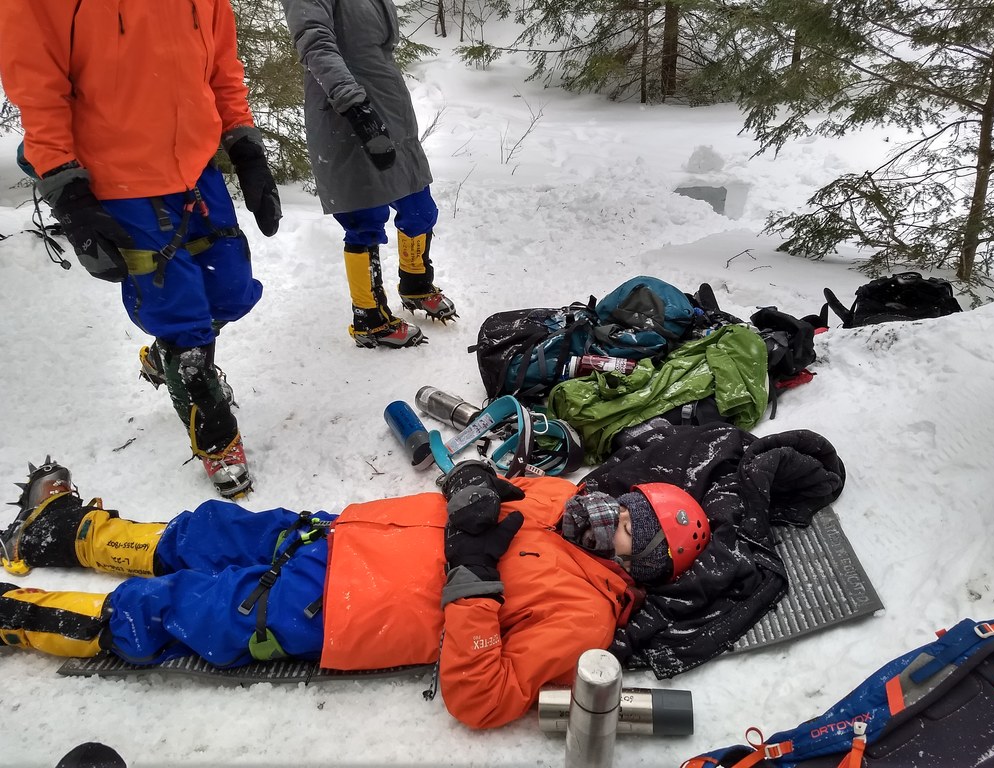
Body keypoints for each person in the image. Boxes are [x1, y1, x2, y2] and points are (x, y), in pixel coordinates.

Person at [0, 457, 709, 730]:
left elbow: (484, 698)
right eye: (627, 506)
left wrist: (473, 582)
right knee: (209, 531)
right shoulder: (567, 499)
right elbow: (484, 484)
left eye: (629, 533)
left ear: (639, 566)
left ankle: (17, 618)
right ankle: (66, 533)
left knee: (185, 608)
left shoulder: (585, 614)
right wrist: (469, 478)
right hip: (343, 532)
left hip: (343, 604)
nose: (613, 517)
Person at [0, 2, 283, 499]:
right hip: (122, 178)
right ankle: (215, 434)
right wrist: (67, 190)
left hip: (195, 166)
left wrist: (244, 144)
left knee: (231, 288)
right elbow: (38, 89)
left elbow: (221, 63)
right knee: (181, 315)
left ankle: (166, 357)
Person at [280, 0, 457, 349]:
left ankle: (415, 283)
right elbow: (315, 43)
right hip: (344, 112)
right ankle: (369, 316)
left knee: (418, 205)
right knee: (364, 219)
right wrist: (354, 104)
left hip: (390, 106)